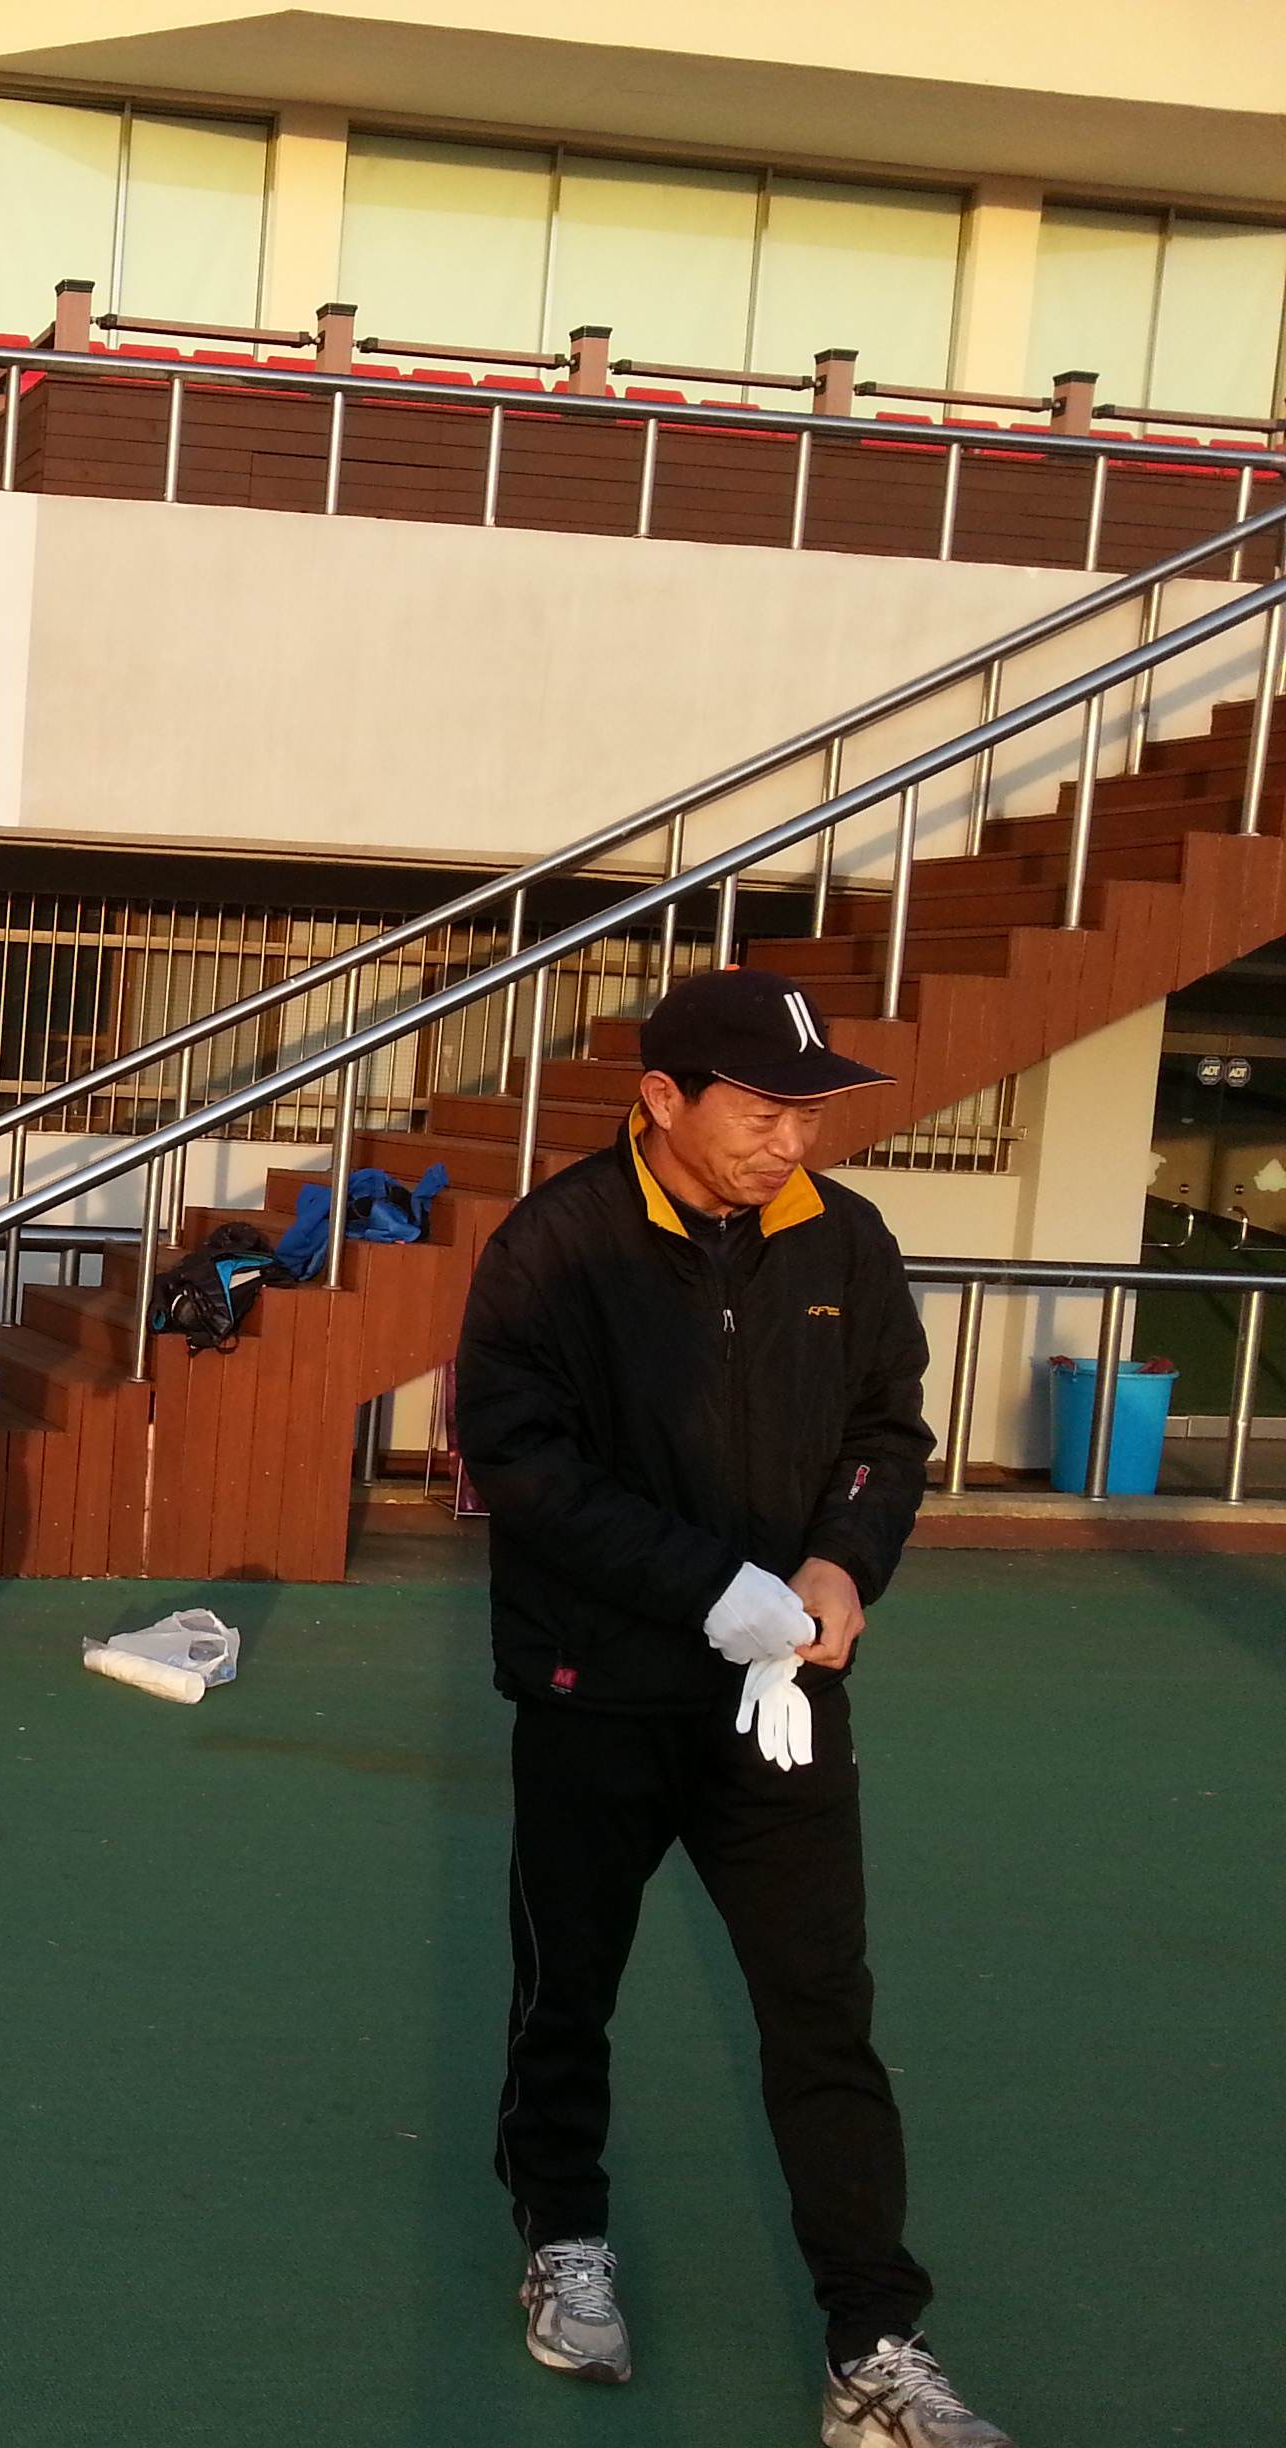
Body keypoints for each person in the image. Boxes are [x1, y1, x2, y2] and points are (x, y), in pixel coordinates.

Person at [454, 966, 1013, 2447]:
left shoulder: (845, 1236)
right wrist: (710, 1585)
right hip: (594, 1691)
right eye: (763, 1110)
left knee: (824, 2010)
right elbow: (520, 1460)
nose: (792, 1140)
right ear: (663, 1099)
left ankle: (874, 2346)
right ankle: (565, 2232)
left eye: (810, 1113)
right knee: (567, 1987)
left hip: (782, 1704)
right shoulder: (555, 1245)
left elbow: (887, 1430)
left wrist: (842, 1561)